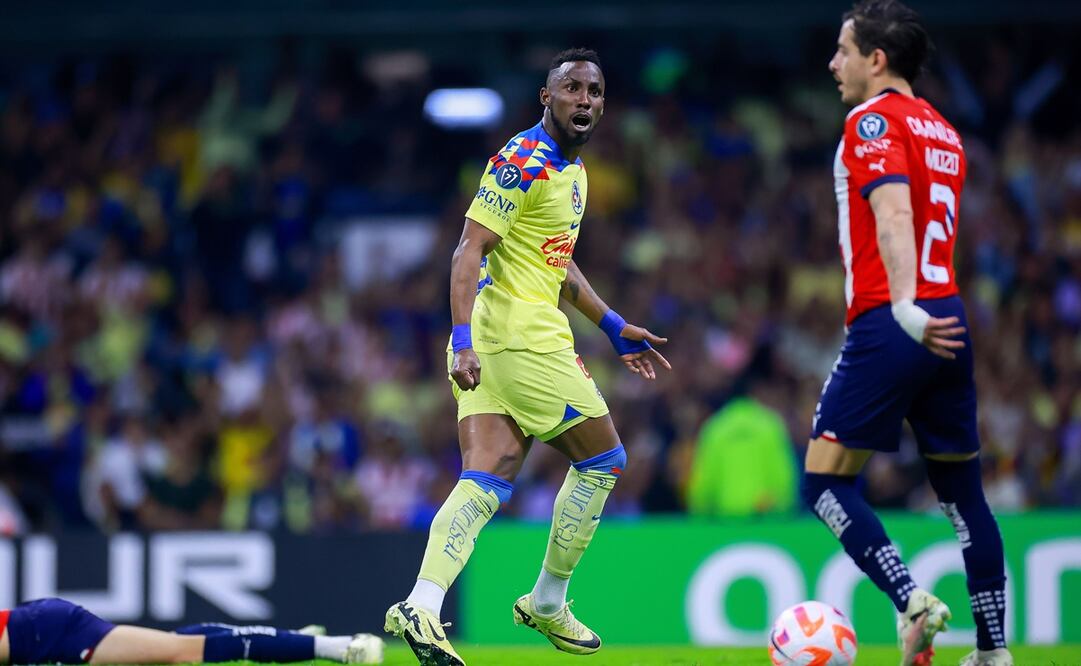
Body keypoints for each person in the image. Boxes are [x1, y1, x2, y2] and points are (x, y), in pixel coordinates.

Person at [383, 48, 670, 666]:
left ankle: (423, 606)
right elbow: (467, 251)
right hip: (518, 339)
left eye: (594, 90)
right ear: (547, 97)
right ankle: (547, 599)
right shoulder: (523, 160)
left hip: (496, 338)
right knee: (604, 459)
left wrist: (613, 324)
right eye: (572, 88)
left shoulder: (575, 173)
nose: (584, 100)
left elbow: (555, 261)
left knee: (489, 470)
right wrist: (461, 341)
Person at [801, 2, 1010, 665]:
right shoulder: (944, 132)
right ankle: (993, 651)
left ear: (876, 59)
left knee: (823, 482)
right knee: (962, 497)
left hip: (896, 319)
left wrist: (900, 305)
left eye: (842, 50)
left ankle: (909, 598)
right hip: (950, 318)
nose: (833, 63)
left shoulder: (869, 121)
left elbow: (892, 213)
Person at [0, 597, 383, 665]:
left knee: (183, 650)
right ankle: (292, 637)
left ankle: (338, 647)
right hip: (37, 632)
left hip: (48, 633)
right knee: (176, 647)